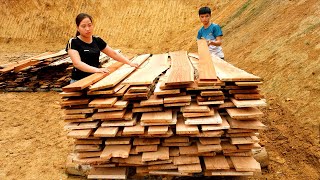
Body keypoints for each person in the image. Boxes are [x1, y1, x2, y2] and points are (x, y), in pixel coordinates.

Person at [66, 13, 138, 83]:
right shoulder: (73, 42)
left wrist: (129, 63)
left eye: (89, 25)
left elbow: (113, 54)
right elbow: (77, 63)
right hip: (79, 81)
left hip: (95, 78)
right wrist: (97, 70)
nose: (87, 29)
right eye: (83, 26)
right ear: (77, 28)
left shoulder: (97, 40)